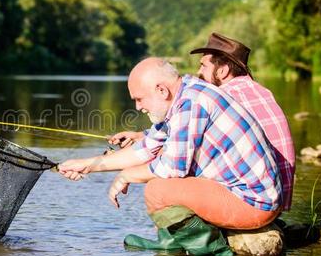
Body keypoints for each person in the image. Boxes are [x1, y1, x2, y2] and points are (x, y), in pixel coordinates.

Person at [59, 57, 282, 236]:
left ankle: (200, 249)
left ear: (161, 90)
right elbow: (144, 149)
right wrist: (87, 165)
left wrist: (126, 176)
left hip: (253, 203)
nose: (138, 107)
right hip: (246, 195)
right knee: (158, 182)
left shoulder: (191, 103)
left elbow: (172, 168)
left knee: (158, 190)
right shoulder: (183, 97)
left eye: (139, 99)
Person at [108, 33, 295, 211]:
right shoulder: (256, 90)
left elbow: (177, 155)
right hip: (275, 193)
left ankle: (194, 239)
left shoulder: (225, 96)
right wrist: (140, 137)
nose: (198, 72)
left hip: (254, 197)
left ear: (222, 71)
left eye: (204, 66)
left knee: (164, 182)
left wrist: (132, 167)